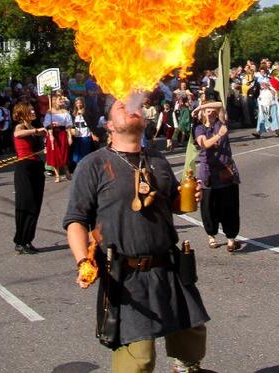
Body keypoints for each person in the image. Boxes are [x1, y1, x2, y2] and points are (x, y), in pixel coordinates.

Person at [64, 98, 210, 373]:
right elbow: (76, 220)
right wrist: (83, 260)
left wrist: (187, 197)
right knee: (137, 360)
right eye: (121, 106)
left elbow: (172, 202)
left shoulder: (157, 159)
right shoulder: (93, 164)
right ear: (109, 125)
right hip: (126, 275)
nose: (131, 107)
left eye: (136, 106)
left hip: (169, 267)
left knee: (191, 340)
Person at [192, 101, 242, 252]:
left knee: (229, 207)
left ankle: (231, 239)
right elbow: (204, 144)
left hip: (226, 171)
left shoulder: (221, 123)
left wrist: (201, 106)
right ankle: (211, 236)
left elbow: (220, 104)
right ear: (203, 114)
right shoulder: (199, 128)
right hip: (208, 173)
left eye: (212, 109)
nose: (211, 111)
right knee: (209, 207)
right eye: (207, 110)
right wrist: (219, 135)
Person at [12, 101, 47, 254]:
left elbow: (40, 147)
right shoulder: (20, 127)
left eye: (33, 110)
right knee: (26, 204)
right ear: (22, 113)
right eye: (30, 110)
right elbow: (17, 134)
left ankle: (28, 240)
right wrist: (37, 131)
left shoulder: (34, 128)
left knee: (36, 205)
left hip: (37, 167)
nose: (33, 112)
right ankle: (20, 241)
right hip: (24, 168)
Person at [44, 94, 73, 183]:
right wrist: (50, 126)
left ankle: (67, 171)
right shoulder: (49, 112)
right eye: (60, 99)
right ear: (54, 101)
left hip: (62, 134)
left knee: (64, 153)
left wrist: (69, 137)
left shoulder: (65, 112)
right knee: (54, 154)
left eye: (62, 99)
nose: (62, 101)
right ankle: (57, 175)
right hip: (53, 134)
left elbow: (68, 125)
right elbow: (46, 124)